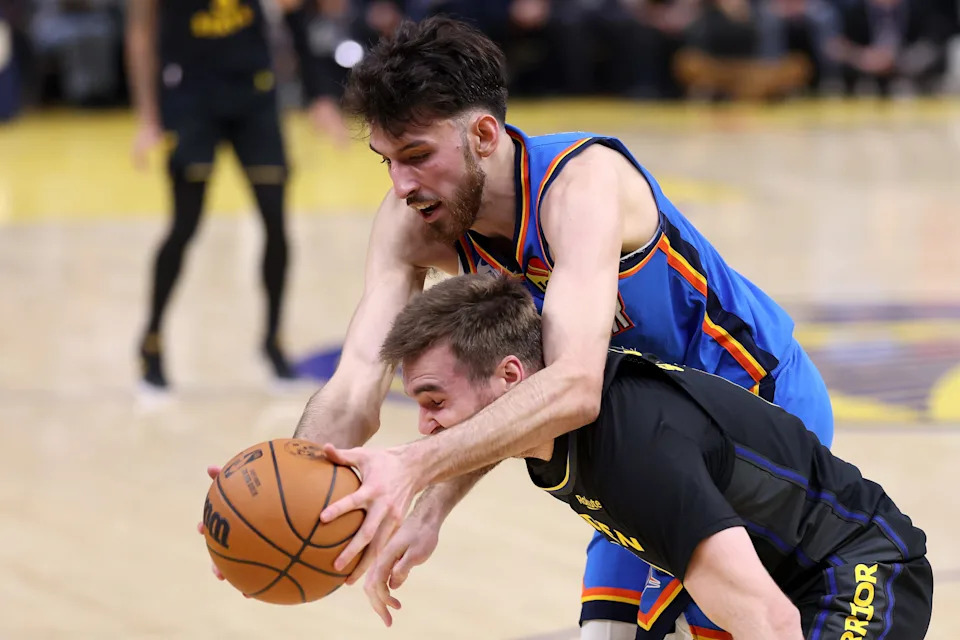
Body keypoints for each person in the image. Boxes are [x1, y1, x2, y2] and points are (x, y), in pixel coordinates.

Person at [200, 15, 833, 638]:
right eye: (386, 161)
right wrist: (287, 489)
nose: (402, 185)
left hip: (754, 408)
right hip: (642, 436)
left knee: (739, 626)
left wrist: (417, 472)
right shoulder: (411, 222)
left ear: (482, 134)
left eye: (417, 156)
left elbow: (571, 388)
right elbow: (357, 385)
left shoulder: (580, 187)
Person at [343, 273, 933, 639]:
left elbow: (773, 625)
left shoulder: (637, 453)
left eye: (434, 400)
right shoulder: (552, 432)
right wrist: (428, 515)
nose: (425, 427)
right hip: (768, 574)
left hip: (859, 571)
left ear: (510, 378)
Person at [127, 0, 348, 389]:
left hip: (253, 95)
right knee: (184, 226)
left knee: (276, 224)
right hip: (191, 97)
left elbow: (294, 16)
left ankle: (273, 341)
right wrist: (148, 117)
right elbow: (140, 32)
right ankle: (152, 340)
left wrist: (319, 96)